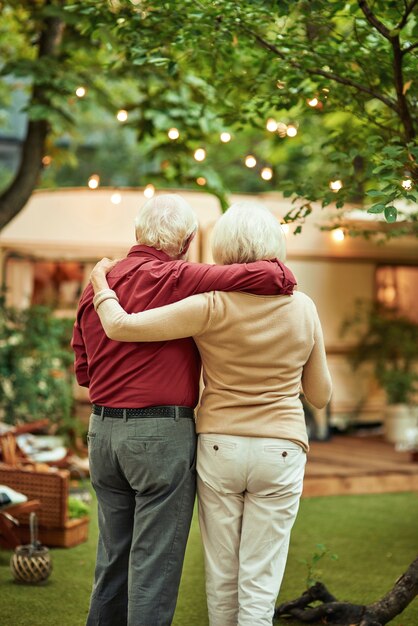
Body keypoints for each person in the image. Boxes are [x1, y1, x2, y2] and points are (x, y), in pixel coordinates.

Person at [90, 201, 332, 626]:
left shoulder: (208, 305)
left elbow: (123, 327)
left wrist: (99, 281)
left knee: (221, 576)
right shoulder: (304, 309)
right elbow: (319, 396)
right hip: (281, 450)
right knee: (260, 580)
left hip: (219, 446)